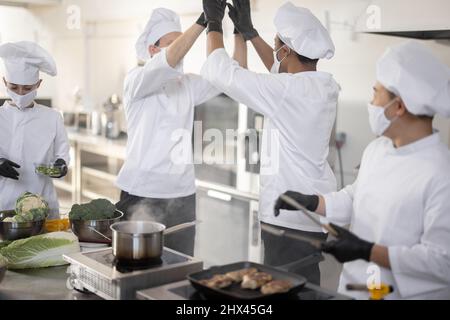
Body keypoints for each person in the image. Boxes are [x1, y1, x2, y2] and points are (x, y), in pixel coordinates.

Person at [275, 41, 450, 299]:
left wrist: (367, 250)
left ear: (398, 107)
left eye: (376, 92)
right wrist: (312, 202)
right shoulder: (378, 149)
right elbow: (356, 197)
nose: (371, 101)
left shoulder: (440, 173)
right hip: (355, 290)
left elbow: (441, 261)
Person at [201, 0, 340, 284]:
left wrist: (214, 23)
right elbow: (281, 71)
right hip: (309, 214)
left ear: (286, 50)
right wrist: (249, 32)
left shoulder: (288, 92)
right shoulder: (322, 85)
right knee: (303, 285)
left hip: (287, 219)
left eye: (277, 44)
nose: (274, 50)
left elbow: (221, 72)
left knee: (283, 290)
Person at [115, 8, 220, 256]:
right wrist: (202, 21)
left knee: (178, 268)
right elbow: (167, 62)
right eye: (172, 43)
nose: (180, 49)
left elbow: (229, 76)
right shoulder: (137, 80)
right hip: (141, 192)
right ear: (153, 49)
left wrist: (237, 30)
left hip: (182, 195)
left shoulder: (188, 84)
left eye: (180, 42)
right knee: (134, 267)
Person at [0, 41, 69, 219]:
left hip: (43, 205)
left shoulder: (52, 117)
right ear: (4, 81)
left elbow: (62, 155)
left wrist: (61, 165)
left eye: (27, 88)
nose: (20, 94)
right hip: (3, 206)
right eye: (13, 87)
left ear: (38, 84)